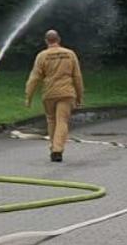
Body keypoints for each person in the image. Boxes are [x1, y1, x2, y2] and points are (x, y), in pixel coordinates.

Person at [24, 30, 84, 163]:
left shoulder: (42, 56)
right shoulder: (70, 54)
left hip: (49, 93)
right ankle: (58, 149)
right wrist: (80, 96)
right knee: (62, 121)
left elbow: (34, 78)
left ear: (46, 41)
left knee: (51, 120)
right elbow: (77, 77)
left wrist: (28, 96)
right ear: (59, 39)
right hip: (67, 93)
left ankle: (53, 147)